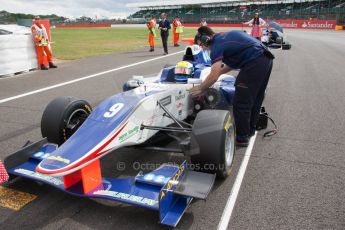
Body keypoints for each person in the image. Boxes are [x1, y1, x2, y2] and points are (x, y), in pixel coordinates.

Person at [190, 26, 274, 147]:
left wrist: (201, 88)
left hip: (255, 60)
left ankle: (241, 138)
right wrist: (217, 73)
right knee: (255, 99)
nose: (203, 47)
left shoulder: (216, 45)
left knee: (241, 101)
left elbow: (213, 77)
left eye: (201, 44)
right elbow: (228, 66)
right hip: (265, 58)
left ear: (206, 39)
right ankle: (249, 131)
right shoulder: (223, 38)